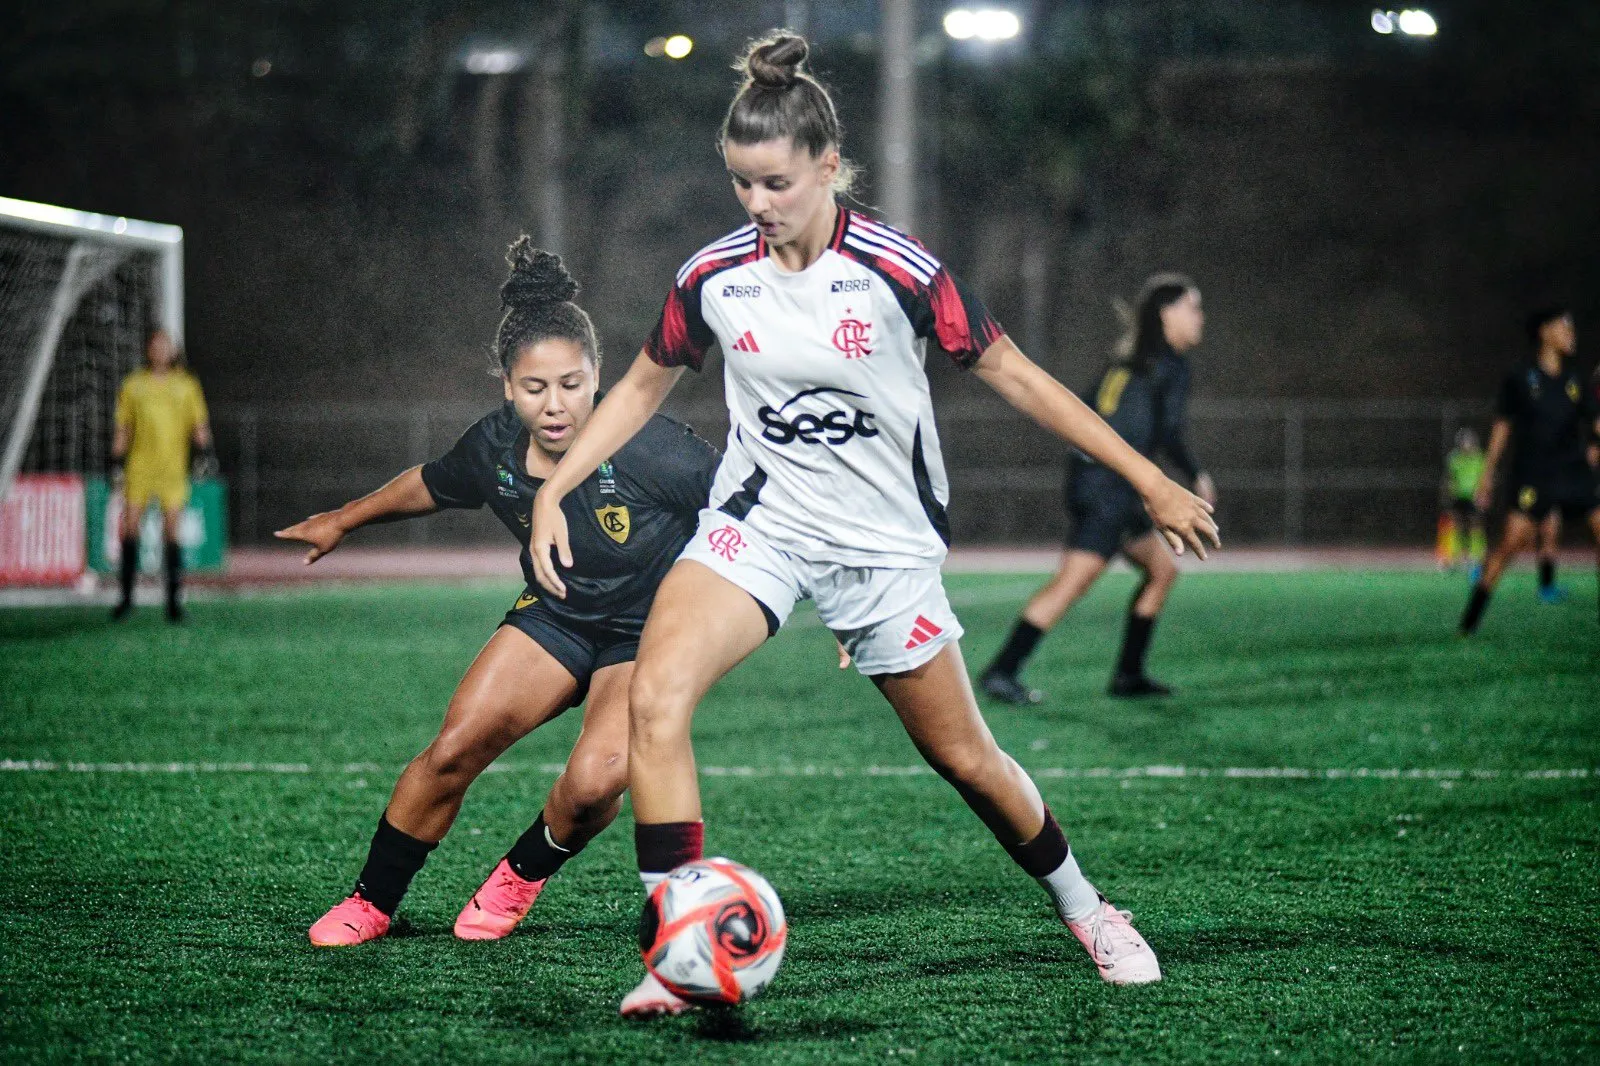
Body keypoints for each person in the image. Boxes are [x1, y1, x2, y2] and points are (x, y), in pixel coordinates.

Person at [525, 34, 1219, 1015]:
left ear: (825, 165)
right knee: (654, 697)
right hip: (756, 524)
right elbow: (641, 383)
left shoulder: (897, 269)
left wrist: (1151, 478)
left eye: (772, 183)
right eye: (739, 184)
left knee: (965, 757)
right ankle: (681, 950)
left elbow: (1015, 374)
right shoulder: (713, 276)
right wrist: (558, 485)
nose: (756, 205)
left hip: (880, 546)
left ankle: (1088, 906)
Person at [278, 241, 719, 946]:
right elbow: (430, 482)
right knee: (453, 750)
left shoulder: (653, 448)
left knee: (596, 780)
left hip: (649, 631)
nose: (556, 405)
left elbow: (754, 509)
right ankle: (372, 901)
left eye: (573, 385)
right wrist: (343, 519)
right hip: (556, 616)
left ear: (599, 377)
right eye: (535, 388)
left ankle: (523, 870)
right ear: (506, 387)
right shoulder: (492, 448)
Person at [979, 275, 1215, 704]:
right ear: (1168, 313)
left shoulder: (1127, 363)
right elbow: (1162, 431)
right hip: (1111, 489)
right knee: (1073, 581)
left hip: (1099, 481)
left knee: (1161, 571)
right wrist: (1193, 474)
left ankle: (1128, 674)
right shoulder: (1166, 365)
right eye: (1193, 308)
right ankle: (1002, 670)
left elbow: (1091, 416)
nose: (1201, 317)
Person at [1460, 306, 1600, 635]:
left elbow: (1595, 422)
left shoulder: (1575, 379)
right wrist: (1487, 473)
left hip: (1573, 471)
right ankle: (1469, 622)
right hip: (1532, 473)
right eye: (1564, 326)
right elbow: (1502, 427)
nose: (1571, 333)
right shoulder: (1520, 377)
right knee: (1511, 543)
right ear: (1544, 332)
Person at [110, 329, 213, 622]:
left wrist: (205, 454)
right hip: (139, 467)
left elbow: (199, 425)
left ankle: (173, 604)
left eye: (165, 345)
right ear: (147, 349)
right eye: (155, 345)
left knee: (172, 531)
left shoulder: (187, 385)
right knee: (130, 528)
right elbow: (124, 428)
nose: (160, 350)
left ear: (173, 350)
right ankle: (126, 600)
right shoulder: (133, 385)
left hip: (172, 469)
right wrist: (116, 462)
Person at [1436, 427, 1486, 573]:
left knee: (1475, 525)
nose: (1467, 445)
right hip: (1457, 496)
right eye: (1464, 442)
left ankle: (1475, 556)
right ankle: (1454, 558)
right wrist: (1446, 494)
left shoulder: (1480, 458)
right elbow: (1449, 478)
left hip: (1474, 497)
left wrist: (1483, 494)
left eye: (1469, 442)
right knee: (1456, 526)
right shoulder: (1454, 458)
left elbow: (1485, 478)